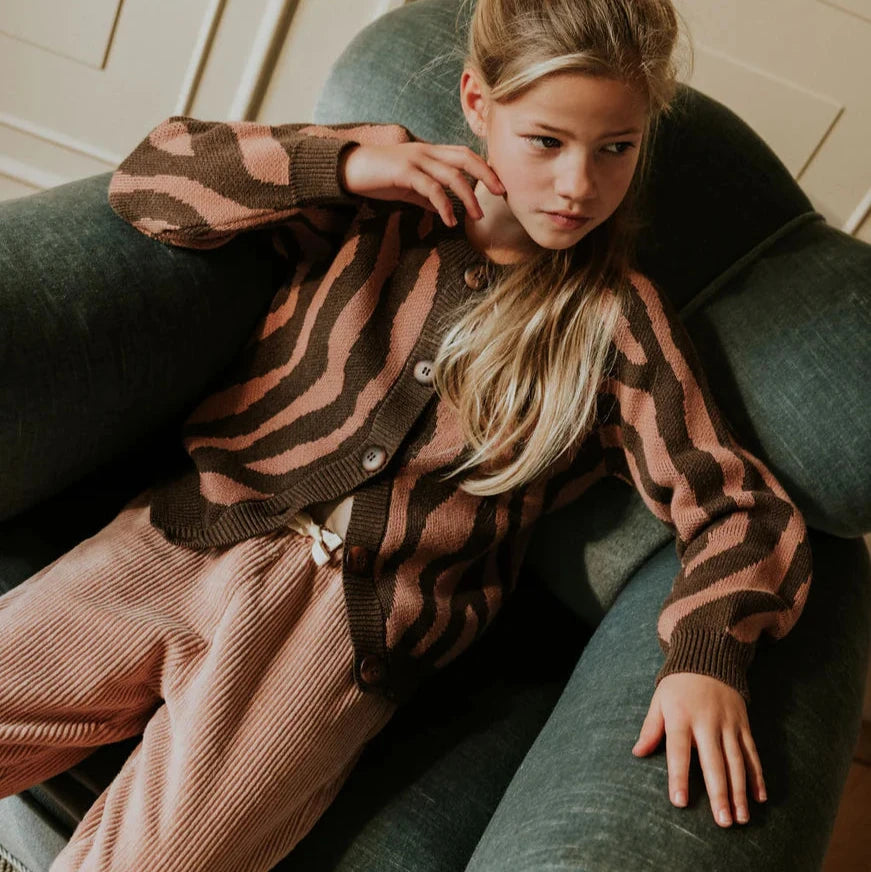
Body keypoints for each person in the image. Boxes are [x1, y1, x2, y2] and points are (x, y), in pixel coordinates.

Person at [0, 0, 812, 868]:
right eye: (545, 141)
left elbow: (737, 509)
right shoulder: (374, 199)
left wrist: (705, 652)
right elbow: (149, 183)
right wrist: (343, 165)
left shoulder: (615, 324)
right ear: (477, 103)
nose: (578, 185)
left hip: (341, 638)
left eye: (615, 147)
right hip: (181, 535)